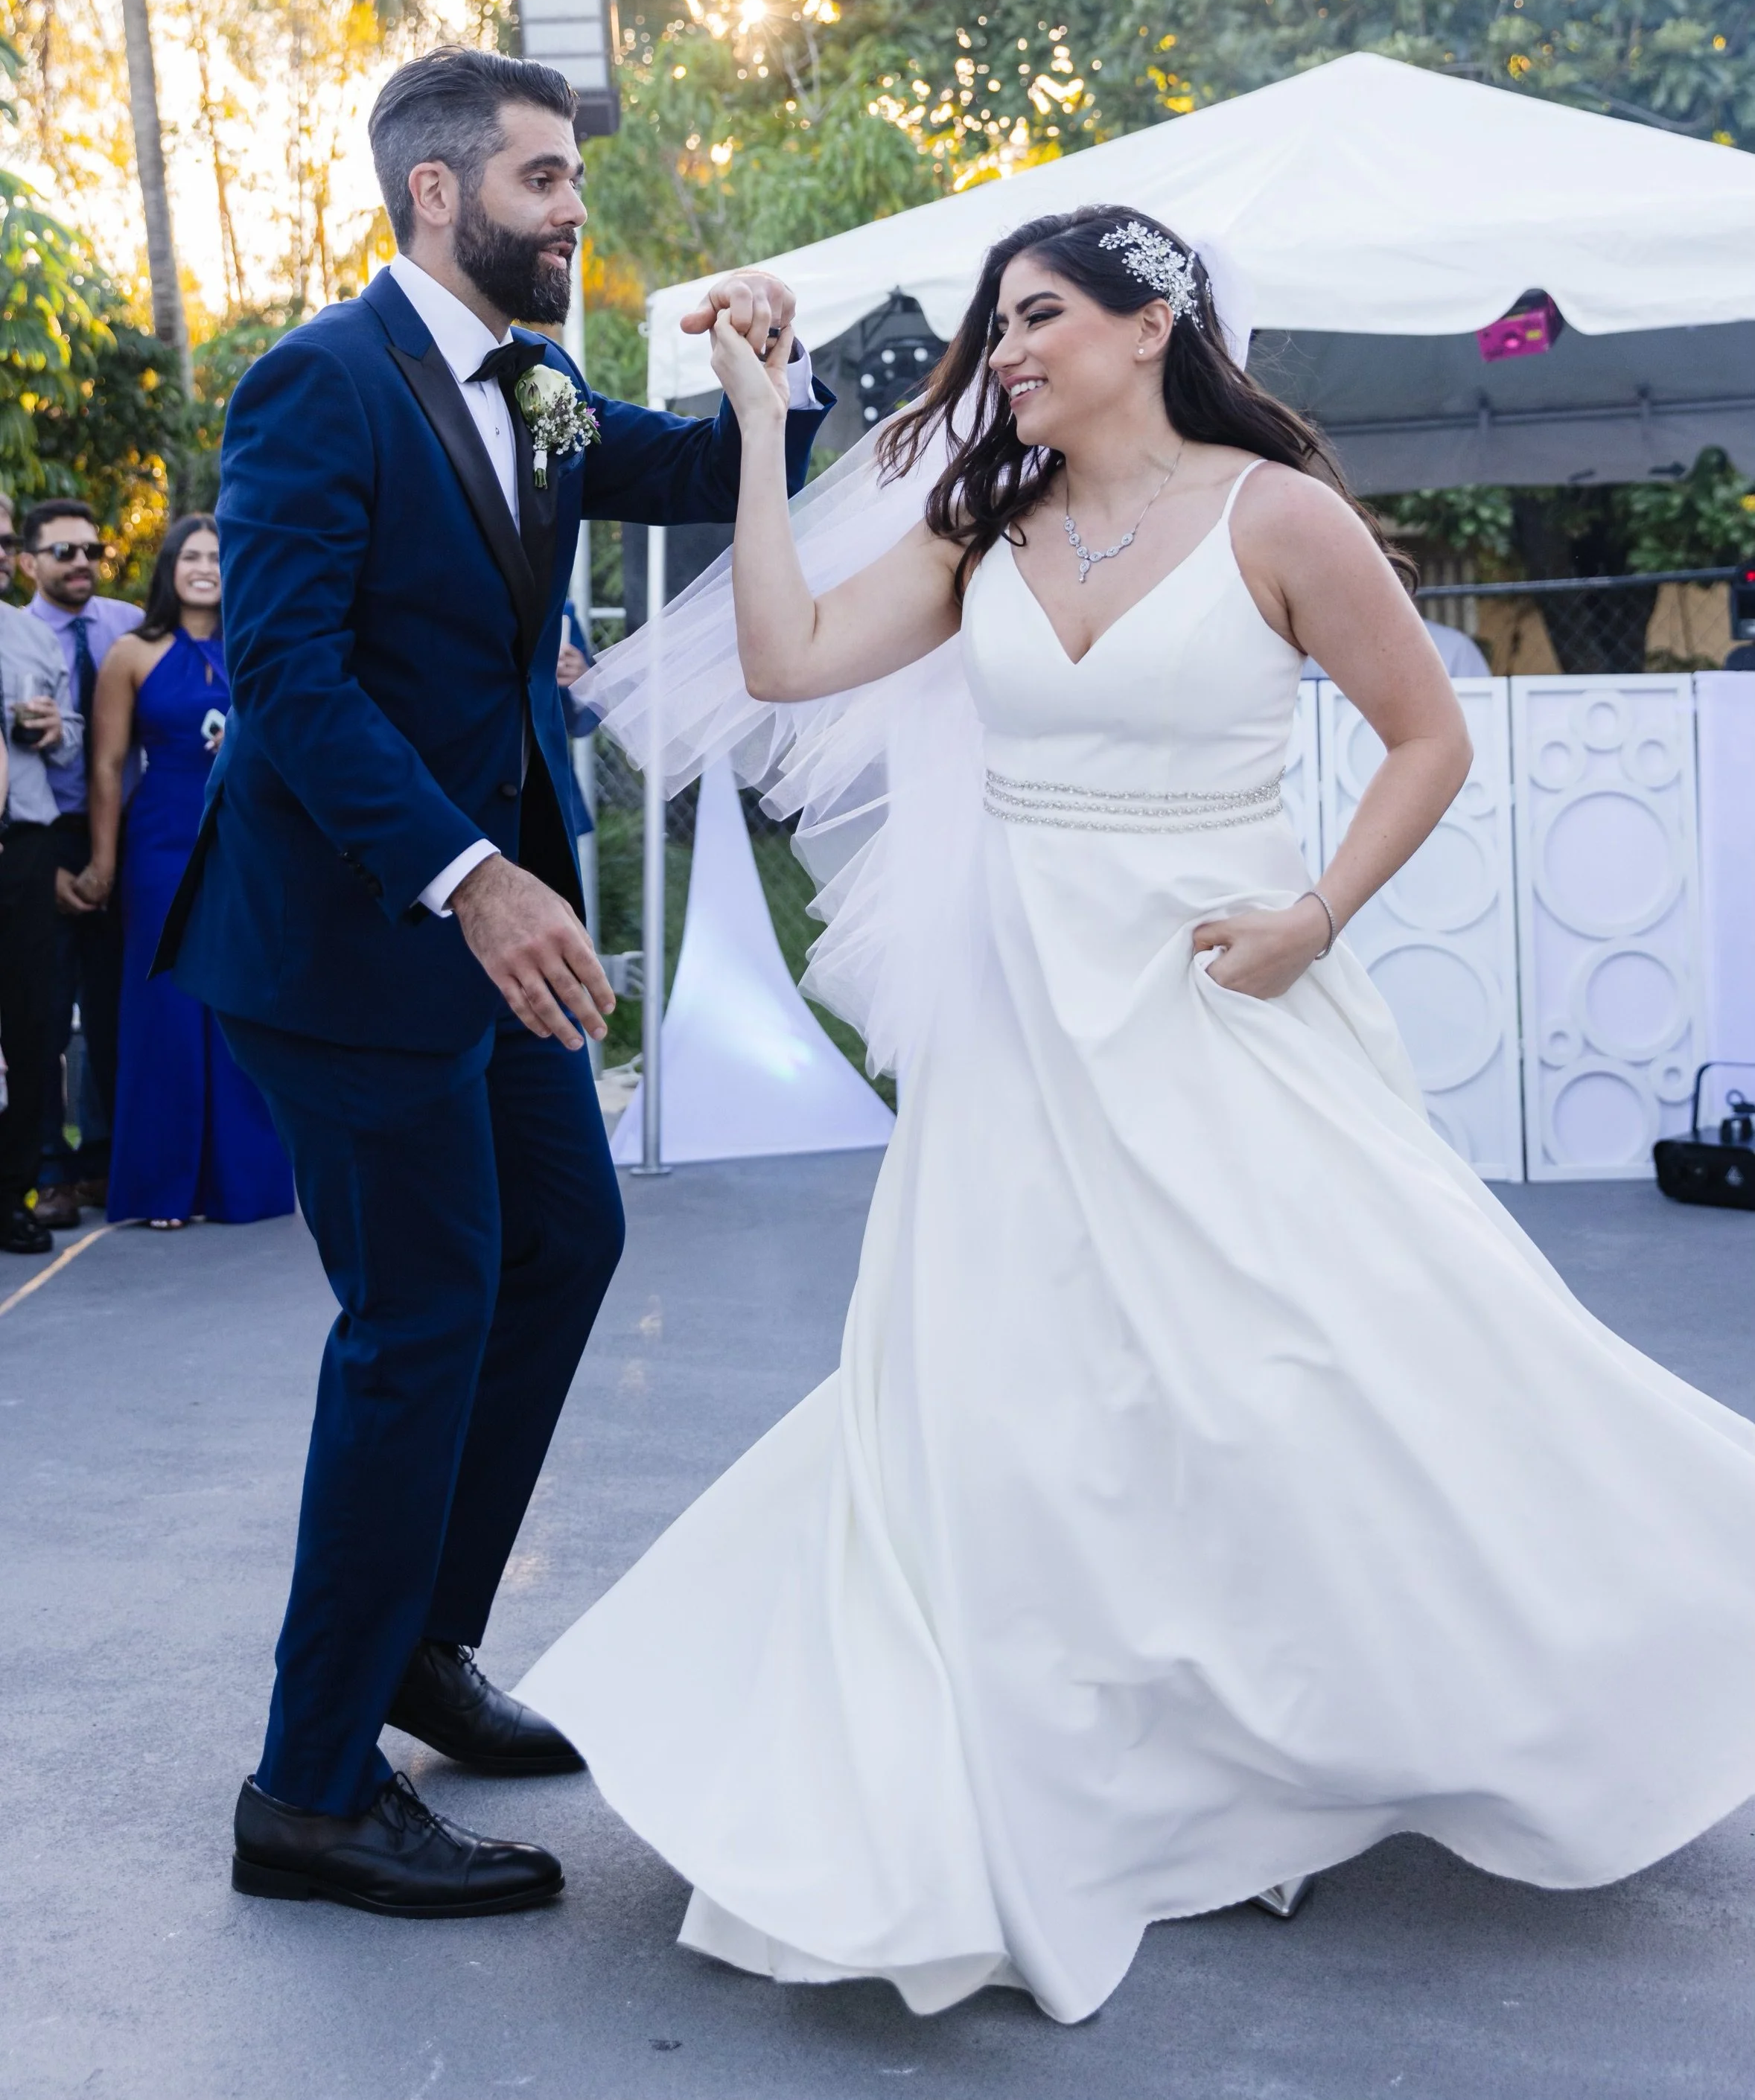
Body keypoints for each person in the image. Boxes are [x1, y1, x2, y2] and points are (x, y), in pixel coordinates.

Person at [521, 205, 1755, 2025]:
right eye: (994, 321)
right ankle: (1116, 1760)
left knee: (1300, 1370)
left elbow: (1428, 736)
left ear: (1145, 318)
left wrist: (1313, 912)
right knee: (1023, 1400)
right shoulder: (981, 525)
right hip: (1021, 1024)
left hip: (1221, 992)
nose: (1002, 348)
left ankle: (1378, 1713)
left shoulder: (1278, 516)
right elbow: (779, 661)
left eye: (1033, 315)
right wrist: (761, 428)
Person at [156, 47, 832, 1918]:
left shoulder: (529, 385)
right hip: (350, 940)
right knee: (421, 1312)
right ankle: (306, 1786)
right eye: (544, 180)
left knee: (563, 1239)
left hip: (480, 920)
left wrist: (783, 376)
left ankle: (420, 1647)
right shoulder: (318, 384)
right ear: (440, 194)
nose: (572, 210)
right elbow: (288, 682)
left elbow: (684, 465)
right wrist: (472, 880)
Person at [71, 514, 292, 1231]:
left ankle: (246, 1184)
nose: (205, 567)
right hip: (161, 841)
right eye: (191, 555)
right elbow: (106, 766)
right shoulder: (132, 653)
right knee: (164, 1009)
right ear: (169, 567)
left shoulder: (259, 642)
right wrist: (103, 862)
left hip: (248, 842)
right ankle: (163, 1188)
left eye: (217, 557)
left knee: (241, 1002)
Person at [19, 495, 142, 1223]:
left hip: (130, 833)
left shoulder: (127, 624)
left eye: (92, 551)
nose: (81, 564)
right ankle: (50, 1169)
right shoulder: (12, 638)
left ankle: (105, 1159)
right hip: (41, 835)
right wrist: (55, 865)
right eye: (65, 551)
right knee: (40, 1015)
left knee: (113, 1008)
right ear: (30, 561)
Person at [0, 491, 84, 1254]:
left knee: (32, 1027)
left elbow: (69, 748)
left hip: (22, 848)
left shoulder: (30, 638)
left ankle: (10, 1194)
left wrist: (59, 733)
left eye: (1, 540)